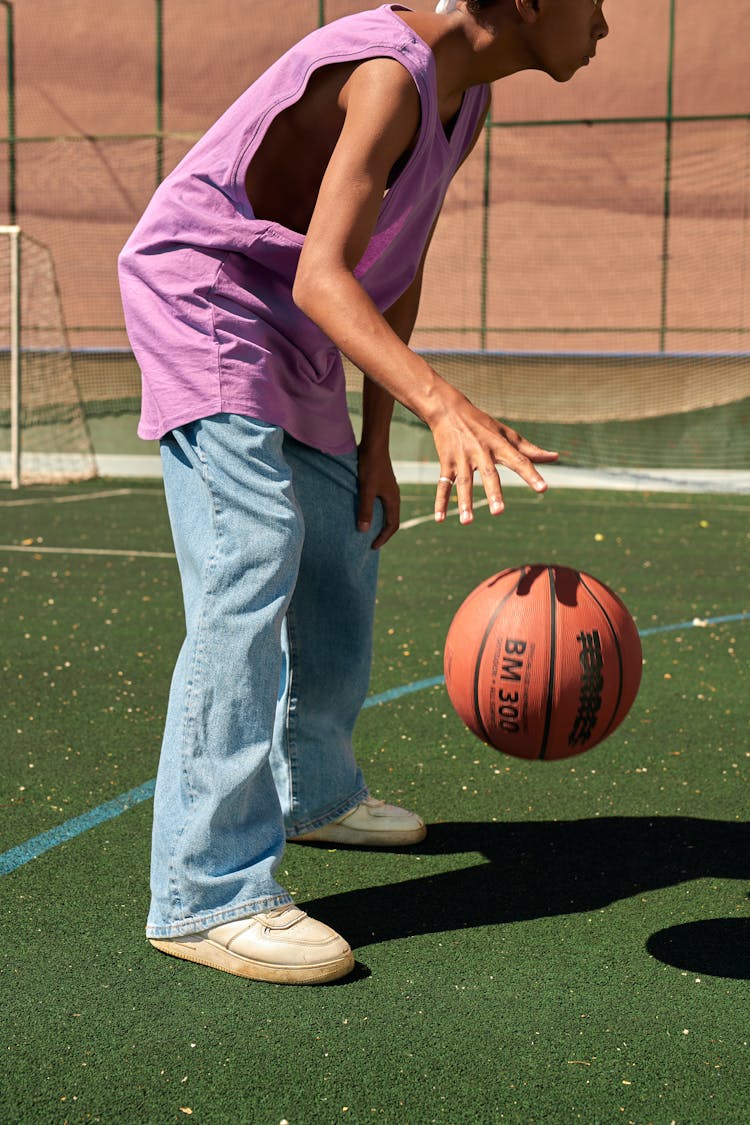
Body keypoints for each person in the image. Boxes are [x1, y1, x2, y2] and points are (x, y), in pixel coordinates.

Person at [118, 0, 609, 985]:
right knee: (249, 567)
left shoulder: (464, 100)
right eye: (597, 0)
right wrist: (443, 405)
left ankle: (317, 794)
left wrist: (380, 440)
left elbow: (394, 266)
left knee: (343, 548)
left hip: (297, 312)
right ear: (529, 3)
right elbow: (320, 277)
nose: (605, 24)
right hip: (210, 297)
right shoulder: (387, 75)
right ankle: (203, 892)